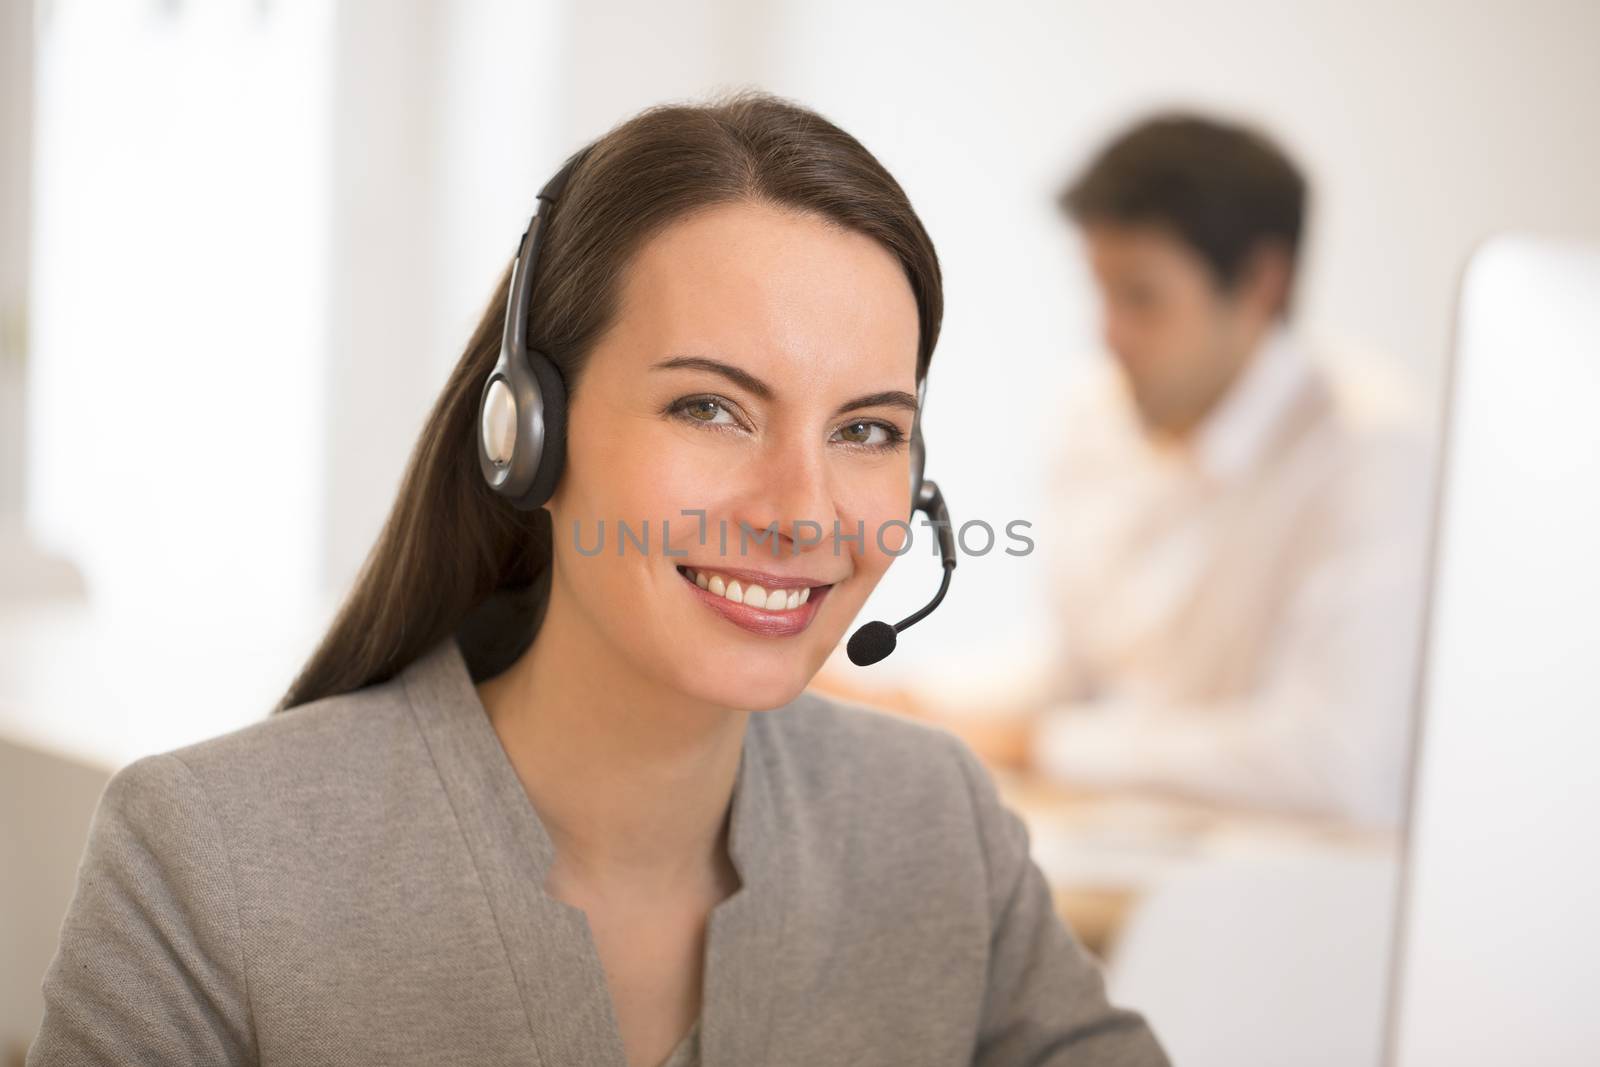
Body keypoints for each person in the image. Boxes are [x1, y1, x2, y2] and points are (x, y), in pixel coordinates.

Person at [26, 92, 1169, 1067]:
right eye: (710, 407)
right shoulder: (209, 856)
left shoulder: (930, 823)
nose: (805, 510)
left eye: (867, 429)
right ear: (528, 431)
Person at [919, 113, 1434, 828]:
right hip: (1116, 851)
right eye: (1100, 291)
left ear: (1261, 283)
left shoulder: (1374, 452)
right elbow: (1079, 674)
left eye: (1141, 297)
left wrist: (1047, 746)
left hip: (1280, 901)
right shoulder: (1095, 413)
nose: (1107, 333)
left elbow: (1338, 760)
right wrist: (915, 705)